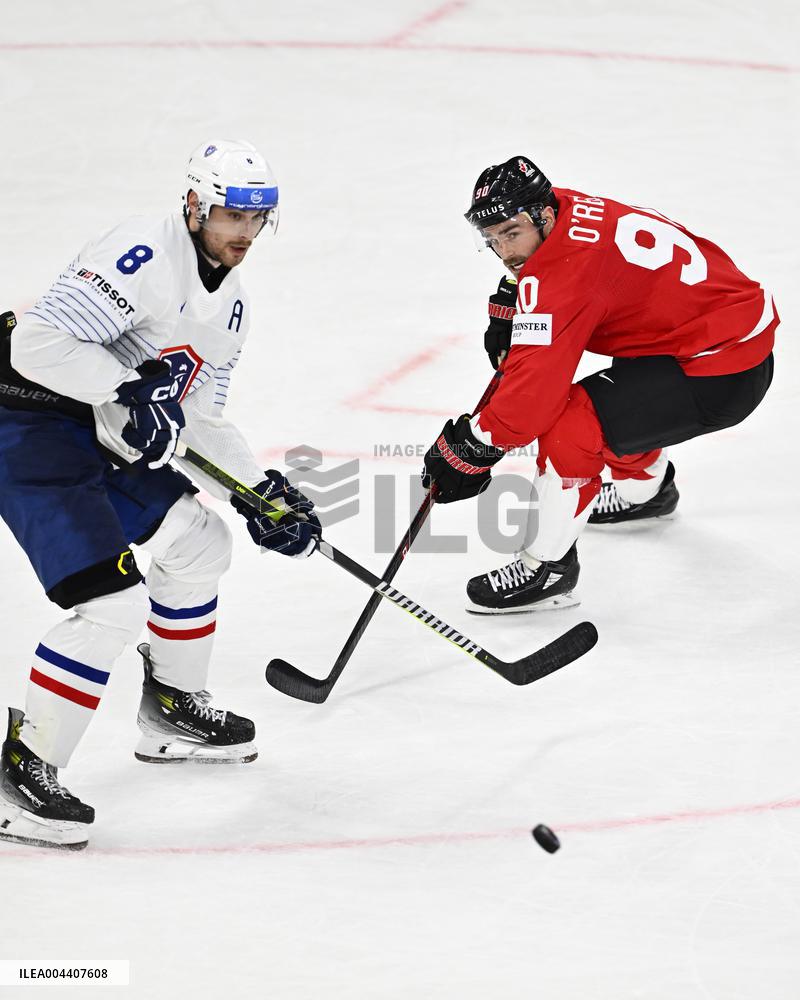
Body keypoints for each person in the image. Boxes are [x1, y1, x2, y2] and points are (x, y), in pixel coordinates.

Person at [0, 140, 321, 850]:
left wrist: (260, 492)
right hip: (25, 420)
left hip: (99, 428)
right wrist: (126, 388)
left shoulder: (229, 306)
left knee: (201, 544)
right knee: (110, 605)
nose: (243, 230)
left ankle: (172, 707)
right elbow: (37, 346)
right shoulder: (142, 250)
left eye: (257, 217)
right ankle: (21, 773)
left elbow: (196, 419)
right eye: (230, 213)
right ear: (195, 205)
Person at [423, 155, 776, 614]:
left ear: (543, 216)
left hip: (718, 373)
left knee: (573, 423)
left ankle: (546, 568)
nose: (505, 252)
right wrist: (517, 295)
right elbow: (582, 274)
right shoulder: (568, 207)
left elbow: (531, 402)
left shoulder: (565, 278)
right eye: (493, 240)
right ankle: (644, 493)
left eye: (512, 234)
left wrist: (472, 447)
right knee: (617, 401)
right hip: (712, 341)